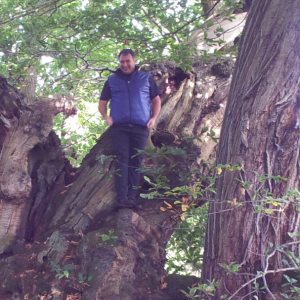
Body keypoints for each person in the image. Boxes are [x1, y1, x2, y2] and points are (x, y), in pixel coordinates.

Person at [99, 49, 161, 209]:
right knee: (122, 159)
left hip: (141, 127)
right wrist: (107, 117)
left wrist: (153, 118)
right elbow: (102, 102)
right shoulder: (112, 80)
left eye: (127, 61)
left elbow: (156, 99)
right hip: (119, 127)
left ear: (134, 61)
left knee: (136, 161)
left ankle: (132, 198)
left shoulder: (145, 78)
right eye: (122, 62)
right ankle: (122, 198)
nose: (125, 64)